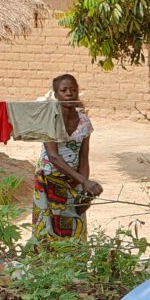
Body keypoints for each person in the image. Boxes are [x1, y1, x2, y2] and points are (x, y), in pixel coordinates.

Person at [31, 74, 102, 244]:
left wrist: (84, 190)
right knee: (46, 229)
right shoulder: (49, 119)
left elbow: (83, 158)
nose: (69, 93)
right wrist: (84, 181)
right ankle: (45, 268)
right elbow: (54, 157)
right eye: (64, 90)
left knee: (75, 226)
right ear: (56, 95)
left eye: (73, 89)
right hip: (47, 180)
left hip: (73, 183)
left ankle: (75, 265)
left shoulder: (84, 122)